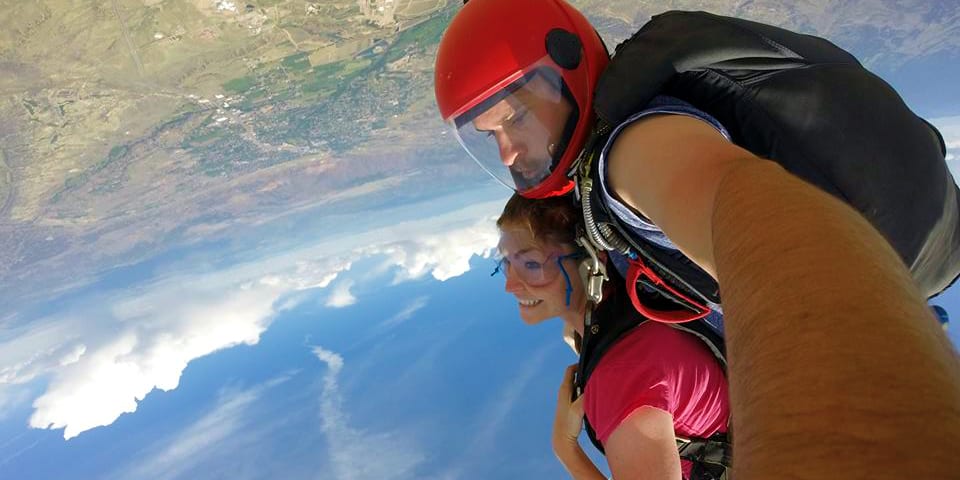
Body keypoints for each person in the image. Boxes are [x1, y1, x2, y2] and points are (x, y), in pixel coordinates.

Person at [435, 1, 960, 479]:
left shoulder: (631, 152)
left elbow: (748, 212)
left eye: (516, 118)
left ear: (567, 75)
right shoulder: (606, 178)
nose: (506, 151)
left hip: (875, 290)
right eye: (489, 135)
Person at [497, 194, 730, 480]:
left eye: (531, 265)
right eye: (506, 262)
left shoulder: (619, 375)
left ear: (591, 262)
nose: (510, 285)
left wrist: (566, 450)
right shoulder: (642, 316)